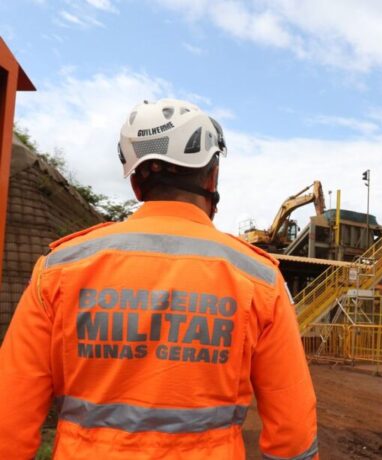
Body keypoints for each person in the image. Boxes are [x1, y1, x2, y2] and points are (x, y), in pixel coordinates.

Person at [0, 99, 318, 459]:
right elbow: (292, 434)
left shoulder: (60, 269)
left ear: (136, 184)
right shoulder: (259, 278)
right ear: (211, 176)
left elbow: (8, 423)